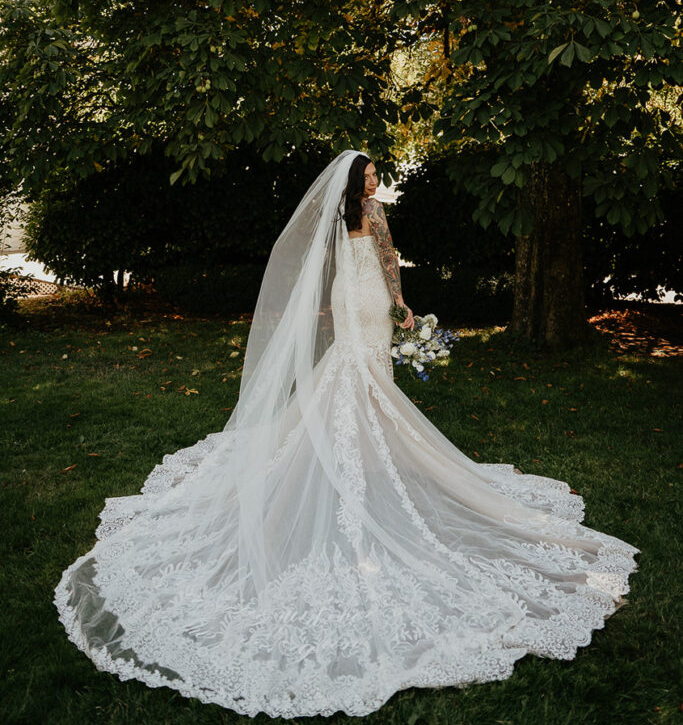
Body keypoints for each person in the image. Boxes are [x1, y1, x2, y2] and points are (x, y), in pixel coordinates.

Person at [55, 149, 639, 719]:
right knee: (368, 377)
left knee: (347, 371)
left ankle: (356, 441)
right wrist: (403, 306)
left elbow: (327, 270)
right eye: (372, 174)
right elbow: (388, 263)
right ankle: (370, 446)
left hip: (343, 298)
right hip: (370, 299)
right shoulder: (377, 214)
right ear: (359, 181)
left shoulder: (334, 217)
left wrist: (348, 301)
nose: (376, 180)